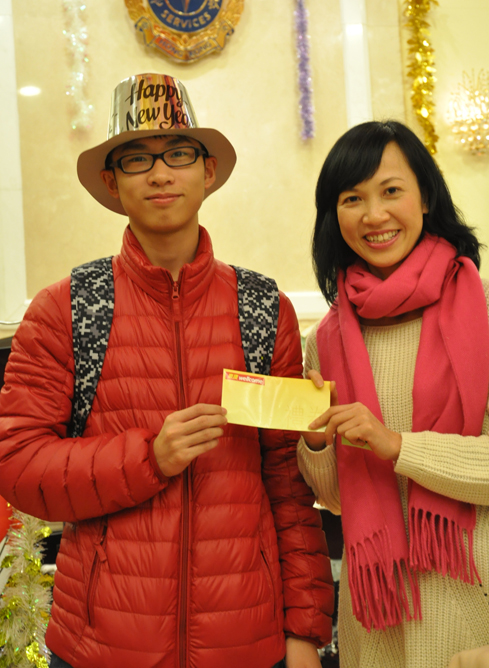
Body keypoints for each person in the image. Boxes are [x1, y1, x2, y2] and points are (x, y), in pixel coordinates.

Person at [0, 74, 333, 668]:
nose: (160, 174)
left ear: (207, 171)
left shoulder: (262, 307)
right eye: (137, 158)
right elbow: (19, 467)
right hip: (100, 645)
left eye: (178, 153)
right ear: (112, 181)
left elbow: (288, 486)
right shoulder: (68, 307)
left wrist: (305, 631)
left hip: (246, 640)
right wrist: (148, 457)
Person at [297, 120, 489, 668]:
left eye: (391, 190)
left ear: (426, 197)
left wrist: (397, 446)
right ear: (333, 215)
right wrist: (316, 443)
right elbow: (338, 499)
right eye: (352, 198)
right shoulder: (326, 341)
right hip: (382, 620)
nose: (374, 215)